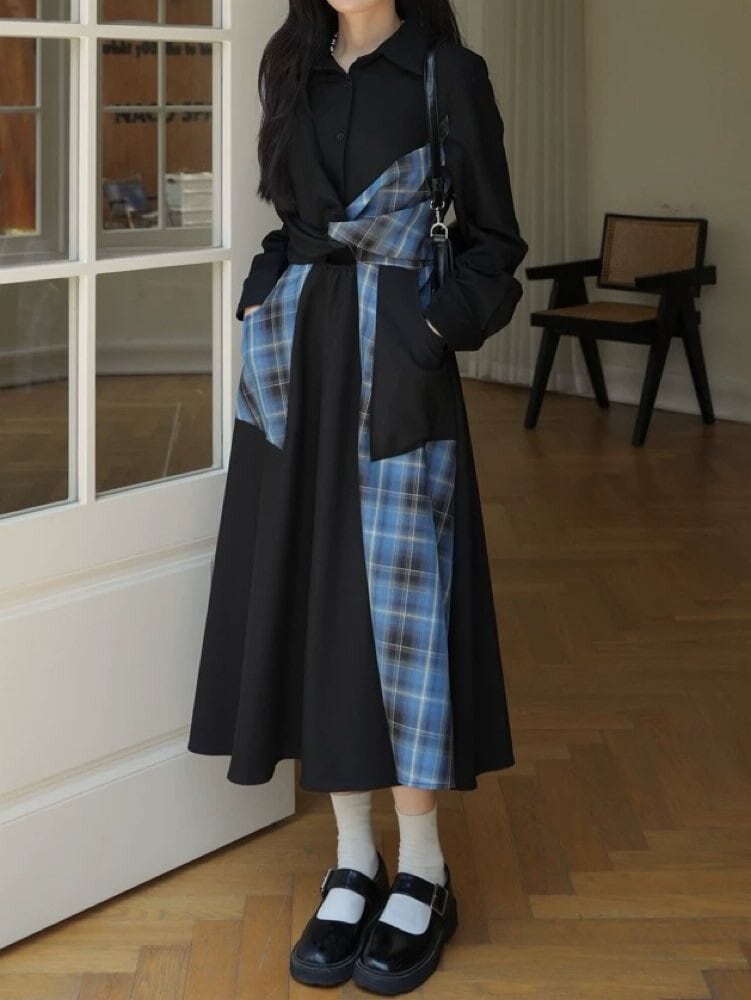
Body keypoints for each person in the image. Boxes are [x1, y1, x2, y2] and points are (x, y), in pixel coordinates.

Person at [187, 0, 528, 992]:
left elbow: (494, 246)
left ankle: (423, 867)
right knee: (316, 603)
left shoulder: (446, 73)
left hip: (397, 372)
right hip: (296, 370)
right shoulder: (293, 66)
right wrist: (261, 294)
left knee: (401, 613)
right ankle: (352, 858)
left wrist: (429, 332)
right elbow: (289, 222)